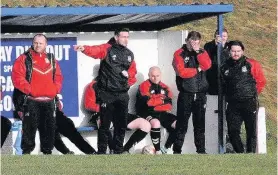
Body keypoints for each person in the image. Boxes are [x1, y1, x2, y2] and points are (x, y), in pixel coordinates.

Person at [74, 28, 137, 154]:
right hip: (107, 94)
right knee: (105, 125)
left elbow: (133, 72)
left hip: (122, 95)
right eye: (123, 36)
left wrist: (127, 81)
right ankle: (102, 151)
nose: (125, 39)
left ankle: (118, 150)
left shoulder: (129, 54)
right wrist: (84, 48)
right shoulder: (107, 49)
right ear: (116, 37)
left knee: (121, 124)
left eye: (127, 37)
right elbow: (95, 50)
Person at [11, 34, 63, 154]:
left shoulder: (51, 58)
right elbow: (17, 77)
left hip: (49, 101)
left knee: (49, 131)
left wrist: (54, 90)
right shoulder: (24, 58)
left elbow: (58, 77)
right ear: (32, 43)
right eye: (36, 42)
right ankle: (26, 156)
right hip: (31, 101)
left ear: (46, 44)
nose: (38, 45)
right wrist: (30, 90)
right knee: (29, 131)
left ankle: (47, 154)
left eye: (41, 43)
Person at [220, 40, 266, 153]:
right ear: (229, 52)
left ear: (242, 51)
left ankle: (250, 154)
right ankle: (241, 153)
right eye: (233, 51)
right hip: (233, 105)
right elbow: (223, 85)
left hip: (249, 102)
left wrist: (252, 94)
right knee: (232, 132)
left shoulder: (251, 63)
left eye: (238, 51)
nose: (236, 53)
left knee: (251, 131)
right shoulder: (224, 67)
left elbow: (261, 81)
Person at [84, 80, 151, 154]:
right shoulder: (93, 85)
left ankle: (125, 150)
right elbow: (88, 105)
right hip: (102, 113)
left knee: (146, 125)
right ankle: (113, 151)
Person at [172, 31, 211, 154]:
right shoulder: (179, 53)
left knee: (199, 124)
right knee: (182, 124)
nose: (194, 43)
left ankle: (201, 151)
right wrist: (197, 69)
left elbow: (207, 65)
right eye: (191, 40)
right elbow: (182, 72)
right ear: (187, 40)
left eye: (196, 41)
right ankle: (177, 150)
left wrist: (198, 52)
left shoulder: (202, 52)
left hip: (200, 94)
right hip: (186, 93)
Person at [136, 66, 177, 154]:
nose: (155, 78)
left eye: (157, 75)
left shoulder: (165, 87)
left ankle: (165, 148)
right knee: (155, 123)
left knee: (179, 124)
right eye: (153, 76)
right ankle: (157, 151)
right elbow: (148, 103)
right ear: (149, 75)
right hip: (146, 112)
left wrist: (156, 103)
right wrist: (162, 100)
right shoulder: (144, 86)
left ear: (161, 75)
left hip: (161, 113)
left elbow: (169, 105)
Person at [204, 29, 229, 95]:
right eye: (221, 36)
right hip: (212, 76)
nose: (223, 38)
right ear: (215, 36)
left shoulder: (229, 46)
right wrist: (216, 45)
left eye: (225, 36)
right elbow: (207, 56)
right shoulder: (208, 45)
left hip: (225, 77)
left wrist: (223, 47)